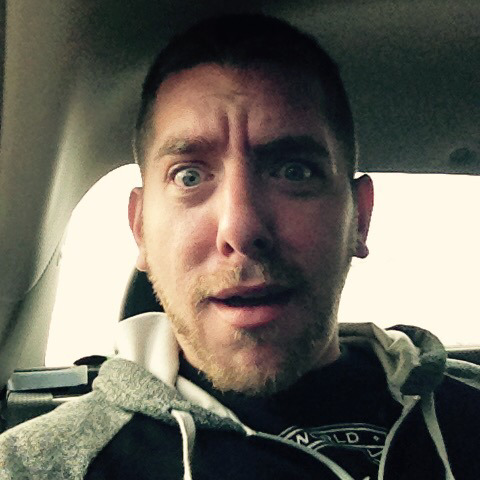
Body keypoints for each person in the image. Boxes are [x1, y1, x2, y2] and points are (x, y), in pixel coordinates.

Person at [0, 13, 479, 480]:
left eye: (294, 171)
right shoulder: (34, 465)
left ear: (361, 218)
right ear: (140, 229)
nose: (241, 228)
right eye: (189, 176)